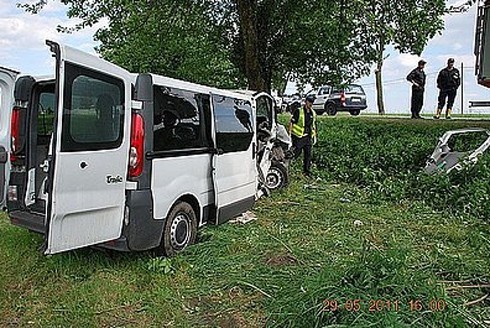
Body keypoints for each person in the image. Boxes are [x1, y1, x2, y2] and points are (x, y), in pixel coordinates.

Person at [288, 94, 318, 177]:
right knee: (296, 154)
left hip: (308, 137)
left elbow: (313, 125)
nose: (311, 104)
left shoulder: (313, 113)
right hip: (299, 137)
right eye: (309, 102)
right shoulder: (299, 111)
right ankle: (288, 168)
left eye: (312, 102)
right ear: (306, 102)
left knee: (308, 155)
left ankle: (306, 172)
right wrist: (289, 135)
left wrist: (314, 136)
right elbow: (291, 122)